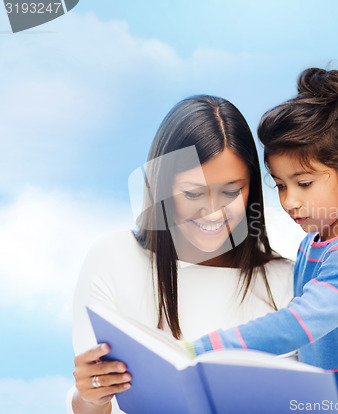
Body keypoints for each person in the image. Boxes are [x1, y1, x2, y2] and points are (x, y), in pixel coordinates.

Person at [184, 68, 338, 414]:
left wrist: (198, 351)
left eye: (304, 183)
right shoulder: (314, 244)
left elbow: (298, 325)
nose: (289, 201)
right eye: (280, 185)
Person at [67, 95, 294, 414]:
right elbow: (96, 400)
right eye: (193, 193)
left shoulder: (288, 283)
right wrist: (89, 398)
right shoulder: (113, 259)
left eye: (231, 192)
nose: (214, 213)